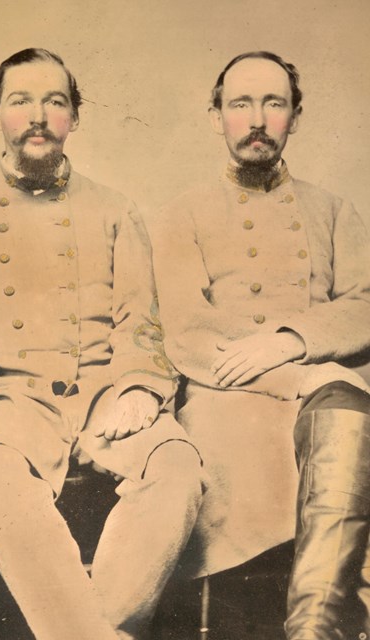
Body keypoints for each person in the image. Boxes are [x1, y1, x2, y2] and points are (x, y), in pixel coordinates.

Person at [0, 48, 205, 640]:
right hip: (7, 403)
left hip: (105, 397)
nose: (38, 114)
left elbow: (141, 324)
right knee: (0, 480)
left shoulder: (114, 209)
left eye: (55, 101)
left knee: (178, 464)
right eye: (20, 100)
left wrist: (138, 390)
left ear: (74, 117)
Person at [151, 51, 370, 639]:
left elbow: (365, 304)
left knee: (349, 417)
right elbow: (187, 328)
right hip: (228, 395)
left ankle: (314, 628)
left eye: (274, 103)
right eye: (240, 103)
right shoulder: (182, 214)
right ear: (216, 115)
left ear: (295, 117)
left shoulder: (332, 210)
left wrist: (291, 341)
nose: (257, 119)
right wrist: (283, 374)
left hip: (322, 387)